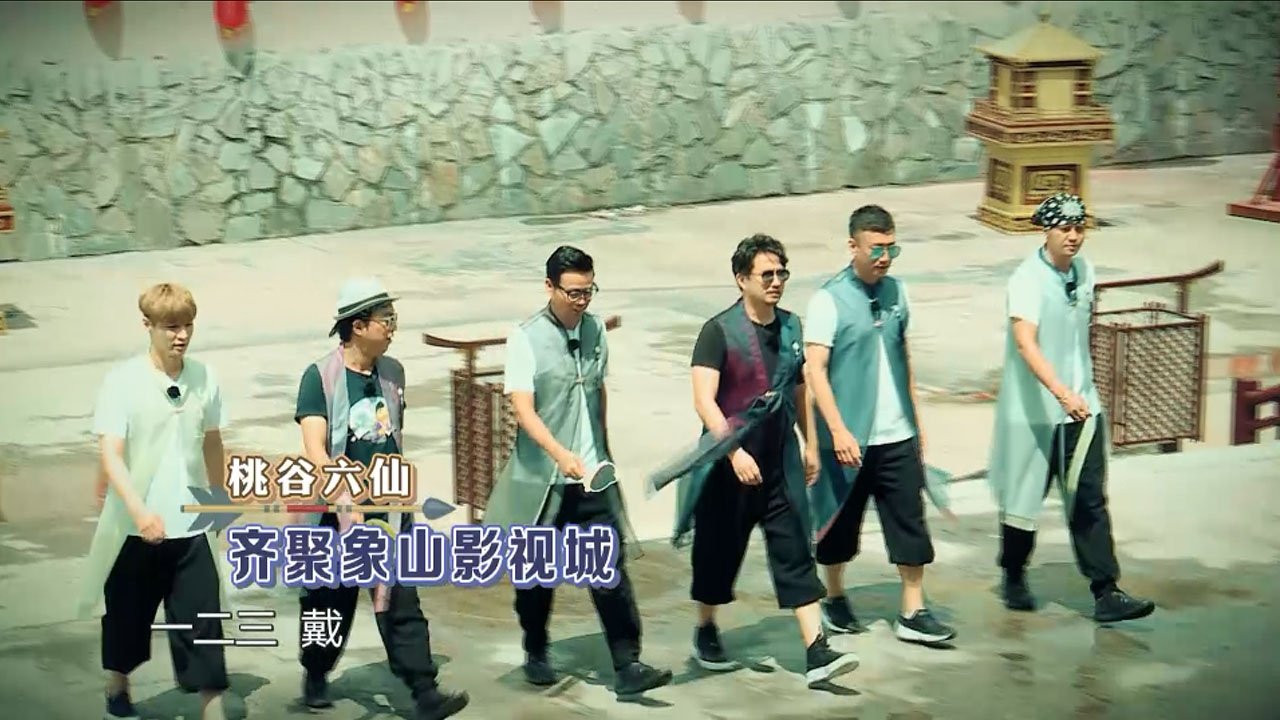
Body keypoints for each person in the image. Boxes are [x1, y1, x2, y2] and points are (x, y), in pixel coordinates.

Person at [667, 233, 860, 688]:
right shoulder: (718, 332)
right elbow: (704, 400)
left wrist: (810, 444)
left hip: (780, 463)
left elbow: (799, 389)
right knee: (717, 553)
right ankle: (706, 627)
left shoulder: (792, 328)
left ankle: (816, 650)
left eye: (781, 273)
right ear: (741, 279)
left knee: (794, 551)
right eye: (766, 274)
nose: (776, 282)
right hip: (727, 466)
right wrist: (733, 452)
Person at [482, 246, 673, 698]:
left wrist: (600, 448)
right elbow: (523, 410)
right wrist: (558, 452)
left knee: (610, 571)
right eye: (573, 292)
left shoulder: (595, 330)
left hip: (591, 478)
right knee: (536, 575)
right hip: (543, 481)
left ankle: (627, 663)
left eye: (588, 291)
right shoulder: (525, 338)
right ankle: (535, 649)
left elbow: (597, 389)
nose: (581, 301)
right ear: (549, 287)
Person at [293, 277, 469, 719]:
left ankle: (424, 691)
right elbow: (315, 449)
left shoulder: (393, 372)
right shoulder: (319, 377)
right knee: (328, 603)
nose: (392, 326)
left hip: (388, 511)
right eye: (385, 319)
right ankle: (316, 672)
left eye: (393, 317)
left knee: (402, 602)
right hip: (335, 515)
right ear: (357, 326)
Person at [987, 193, 1156, 623]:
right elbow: (1026, 343)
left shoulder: (1085, 271)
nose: (1074, 236)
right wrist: (1060, 391)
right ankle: (1013, 574)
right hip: (1032, 411)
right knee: (1023, 501)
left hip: (1082, 408)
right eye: (1065, 228)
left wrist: (1078, 392)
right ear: (1046, 230)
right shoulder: (1026, 280)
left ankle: (1106, 591)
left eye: (1080, 228)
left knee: (1088, 497)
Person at [804, 205, 956, 647]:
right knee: (839, 524)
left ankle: (913, 610)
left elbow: (902, 356)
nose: (884, 257)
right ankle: (834, 595)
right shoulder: (828, 300)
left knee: (909, 522)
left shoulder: (898, 293)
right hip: (848, 439)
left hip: (897, 435)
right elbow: (815, 371)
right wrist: (837, 431)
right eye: (876, 248)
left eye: (891, 248)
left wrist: (916, 422)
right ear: (853, 246)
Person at [80, 282, 232, 720]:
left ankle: (212, 707)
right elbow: (111, 454)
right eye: (170, 327)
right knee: (127, 616)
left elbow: (213, 442)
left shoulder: (204, 377)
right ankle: (117, 683)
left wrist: (219, 499)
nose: (181, 335)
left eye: (187, 325)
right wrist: (139, 512)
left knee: (203, 618)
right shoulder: (123, 382)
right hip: (135, 527)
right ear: (147, 325)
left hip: (191, 526)